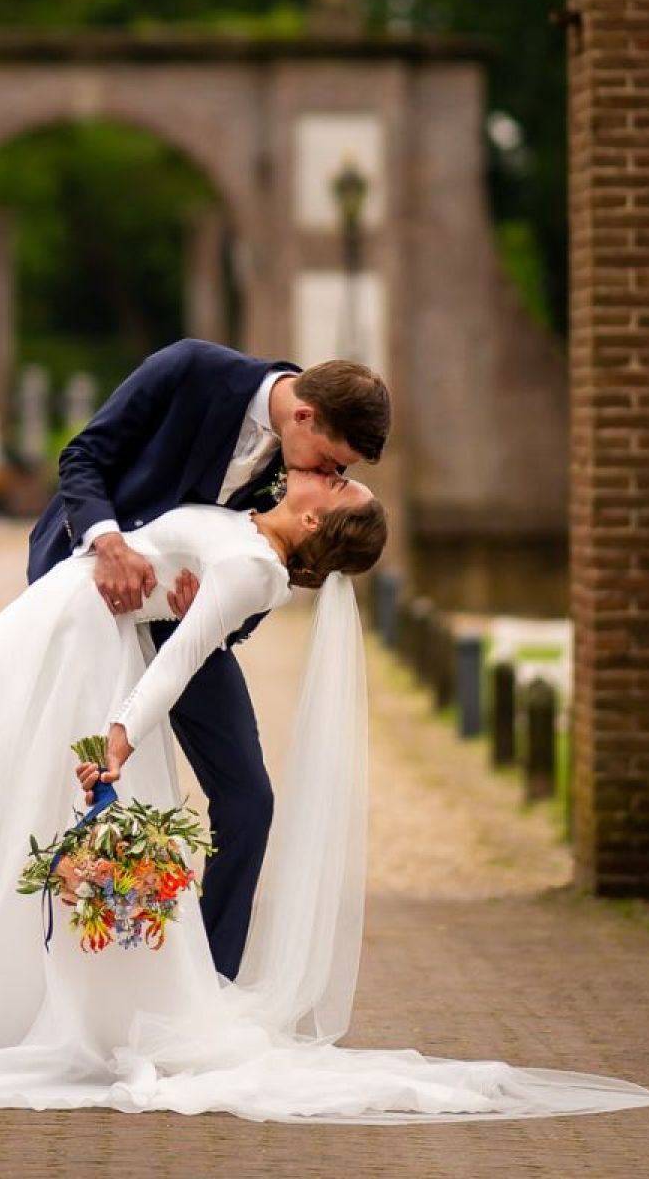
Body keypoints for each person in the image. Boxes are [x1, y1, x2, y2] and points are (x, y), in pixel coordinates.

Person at [0, 475, 649, 1123]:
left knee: (31, 808)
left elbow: (178, 662)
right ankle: (2, 989)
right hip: (60, 622)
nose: (311, 471)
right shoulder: (246, 524)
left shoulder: (252, 569)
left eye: (329, 479)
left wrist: (118, 740)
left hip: (93, 652)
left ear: (316, 517)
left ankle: (33, 1001)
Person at [26, 340, 387, 979]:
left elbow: (275, 565)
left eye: (338, 474)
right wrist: (108, 544)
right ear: (303, 416)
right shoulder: (190, 369)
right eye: (332, 462)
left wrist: (212, 606)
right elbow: (83, 457)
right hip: (90, 587)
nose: (331, 478)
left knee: (249, 801)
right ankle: (18, 975)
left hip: (185, 628)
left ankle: (208, 986)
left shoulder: (305, 482)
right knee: (50, 783)